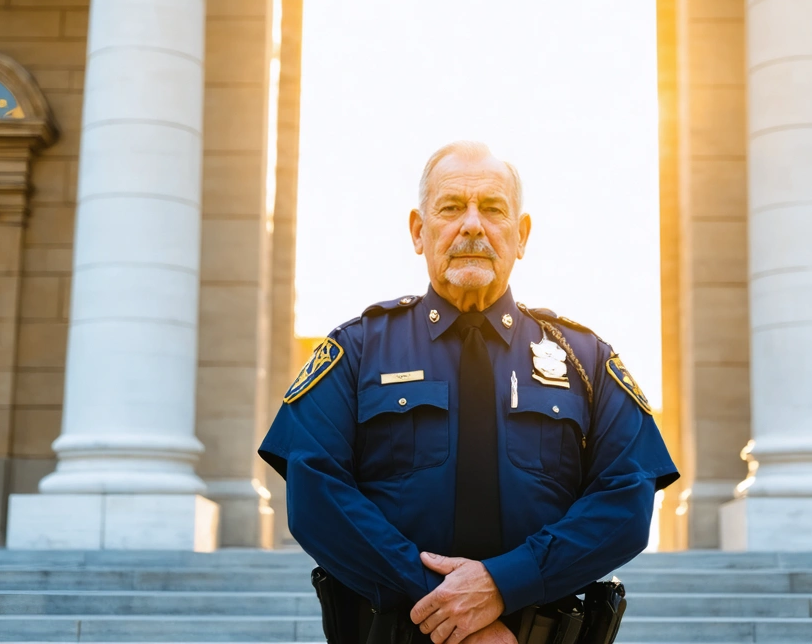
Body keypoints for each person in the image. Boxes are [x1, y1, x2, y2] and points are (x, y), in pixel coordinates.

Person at [259, 141, 679, 644]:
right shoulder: (358, 349)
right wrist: (445, 607)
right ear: (420, 230)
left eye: (493, 209)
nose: (473, 225)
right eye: (452, 207)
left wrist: (504, 585)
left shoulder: (585, 360)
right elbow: (314, 495)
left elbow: (627, 504)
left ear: (520, 235)